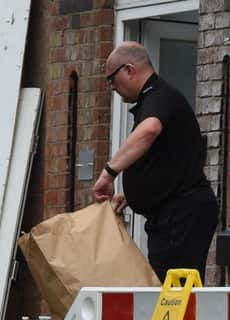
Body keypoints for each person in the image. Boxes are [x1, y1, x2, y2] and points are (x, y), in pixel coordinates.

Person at [92, 41, 218, 283]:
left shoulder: (159, 95)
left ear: (129, 70)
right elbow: (171, 158)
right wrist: (135, 193)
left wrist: (109, 173)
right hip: (176, 214)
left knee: (172, 296)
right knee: (170, 292)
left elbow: (149, 130)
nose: (112, 87)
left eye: (112, 79)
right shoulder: (156, 99)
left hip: (180, 216)